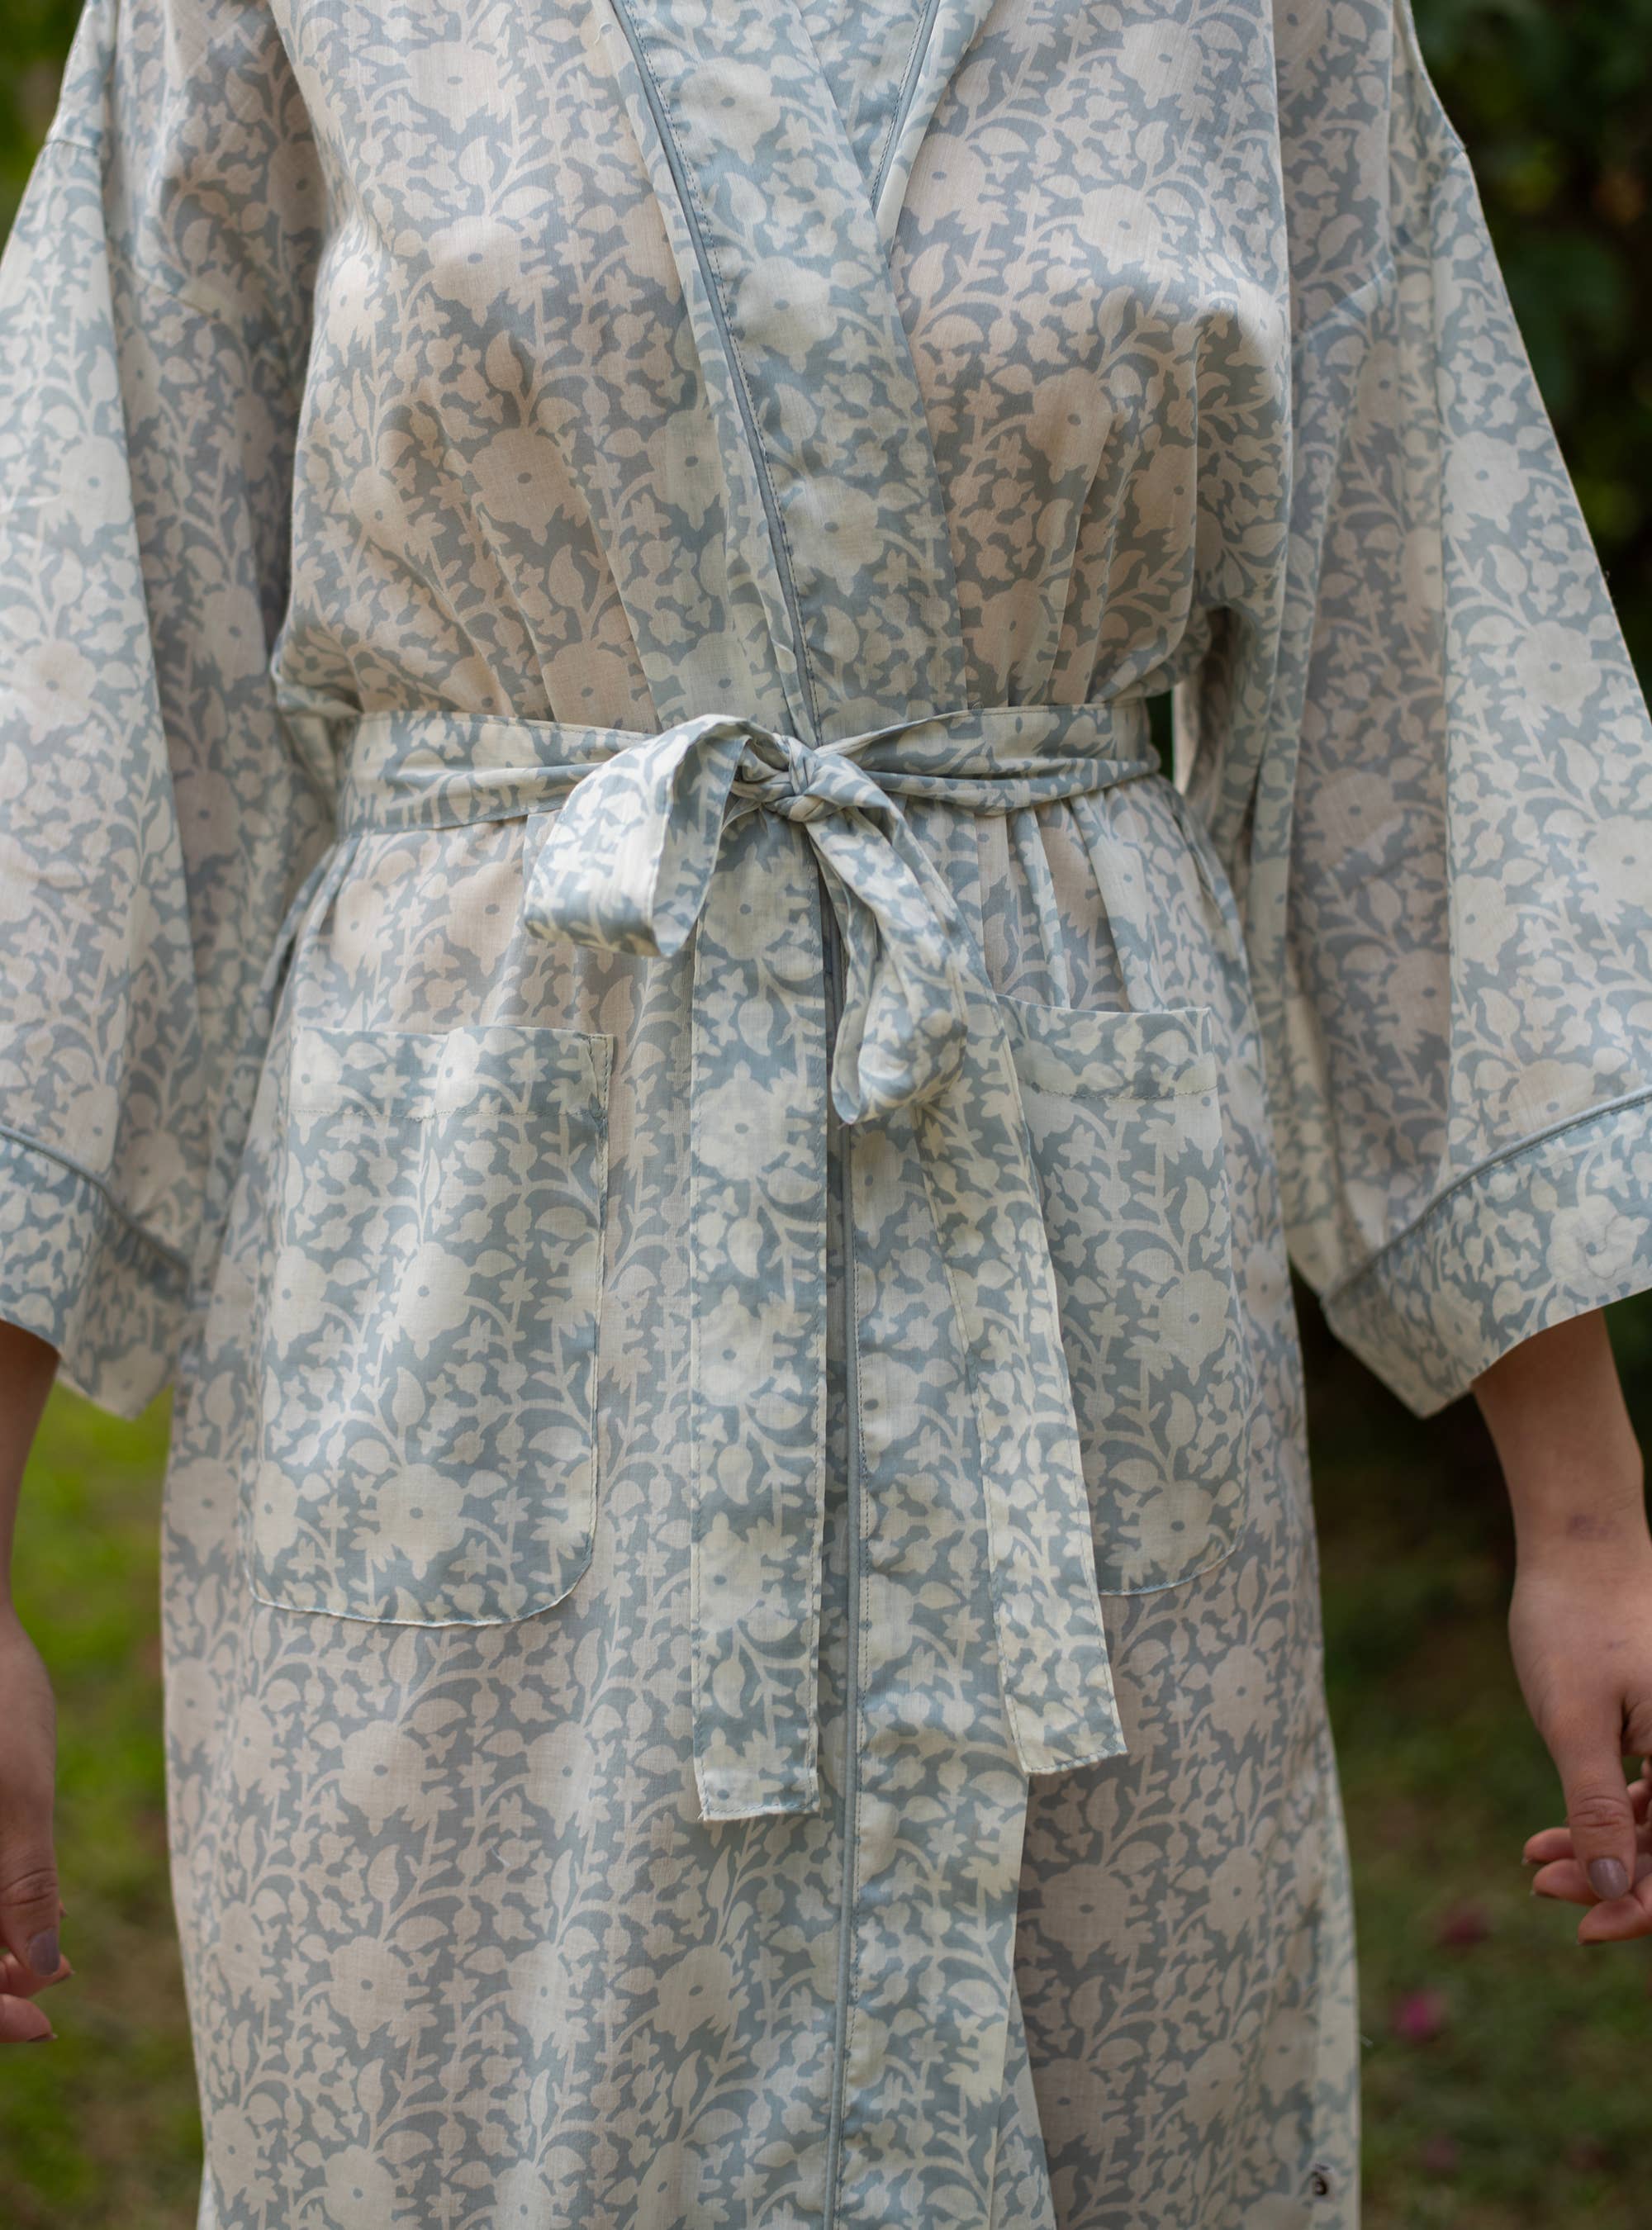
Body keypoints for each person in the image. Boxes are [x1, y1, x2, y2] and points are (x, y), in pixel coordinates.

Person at [1, 0, 1650, 2223]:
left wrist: (1587, 1515)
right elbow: (94, 679)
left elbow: (1410, 683)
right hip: (477, 1275)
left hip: (1076, 1308)